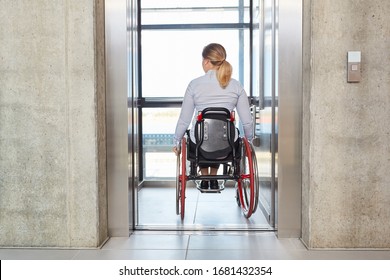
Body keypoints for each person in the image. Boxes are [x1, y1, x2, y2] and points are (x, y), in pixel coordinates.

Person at [173, 43, 253, 190]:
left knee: (201, 133)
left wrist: (176, 141)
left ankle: (204, 178)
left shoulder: (194, 84)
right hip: (227, 143)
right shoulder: (236, 85)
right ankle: (214, 178)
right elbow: (247, 121)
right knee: (219, 131)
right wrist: (250, 141)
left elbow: (184, 119)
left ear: (206, 61)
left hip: (199, 142)